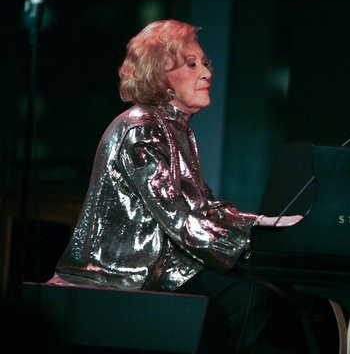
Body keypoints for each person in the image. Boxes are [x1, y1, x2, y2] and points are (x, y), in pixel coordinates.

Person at [46, 19, 304, 353]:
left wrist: (264, 223)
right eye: (192, 65)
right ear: (161, 76)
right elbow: (182, 221)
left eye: (205, 64)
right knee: (254, 304)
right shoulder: (141, 130)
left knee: (271, 298)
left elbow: (205, 209)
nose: (207, 73)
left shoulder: (175, 128)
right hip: (129, 275)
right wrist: (252, 243)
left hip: (170, 264)